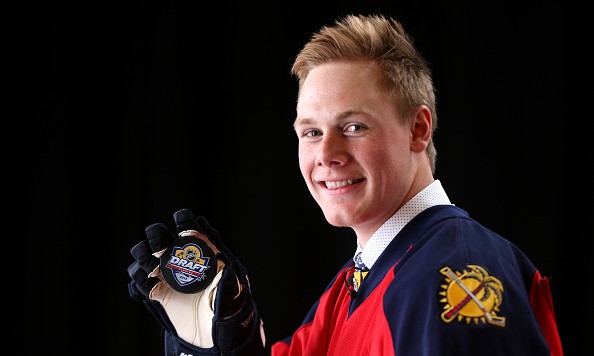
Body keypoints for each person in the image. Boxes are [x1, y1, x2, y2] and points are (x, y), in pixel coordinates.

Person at [127, 14, 563, 356]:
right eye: (311, 132)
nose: (326, 154)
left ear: (418, 130)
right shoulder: (358, 282)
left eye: (353, 126)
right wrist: (219, 345)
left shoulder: (449, 280)